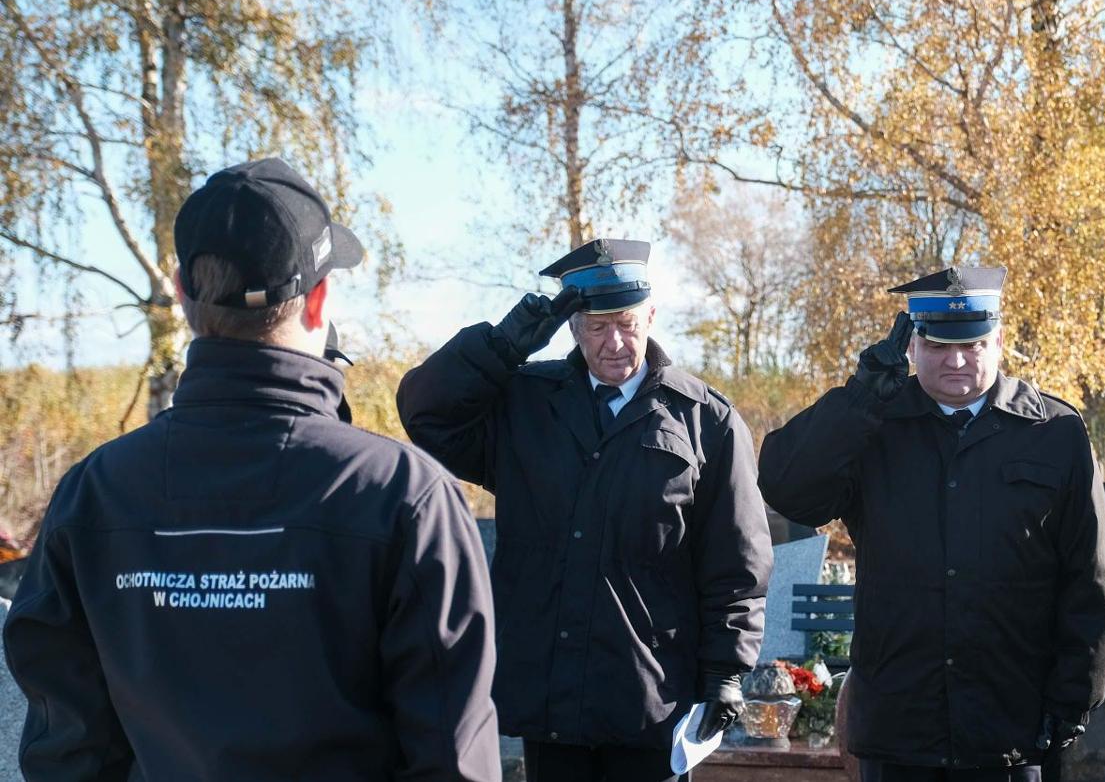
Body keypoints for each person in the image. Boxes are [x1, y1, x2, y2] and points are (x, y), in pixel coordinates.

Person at [3, 157, 500, 780]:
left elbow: (67, 756)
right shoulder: (404, 496)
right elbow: (453, 761)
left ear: (184, 294)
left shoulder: (93, 494)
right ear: (318, 301)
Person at [397, 238, 771, 782]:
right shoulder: (524, 402)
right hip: (551, 698)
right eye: (597, 327)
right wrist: (501, 347)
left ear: (651, 315)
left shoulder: (704, 420)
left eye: (627, 323)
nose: (614, 343)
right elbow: (426, 416)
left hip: (652, 698)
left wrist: (726, 670)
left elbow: (736, 560)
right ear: (572, 327)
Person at [758, 266, 1105, 782]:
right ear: (912, 346)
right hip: (900, 726)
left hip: (1012, 729)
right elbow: (787, 489)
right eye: (937, 345)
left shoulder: (1054, 432)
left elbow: (1090, 577)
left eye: (972, 344)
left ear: (998, 339)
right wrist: (857, 398)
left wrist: (1072, 702)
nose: (956, 360)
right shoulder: (874, 424)